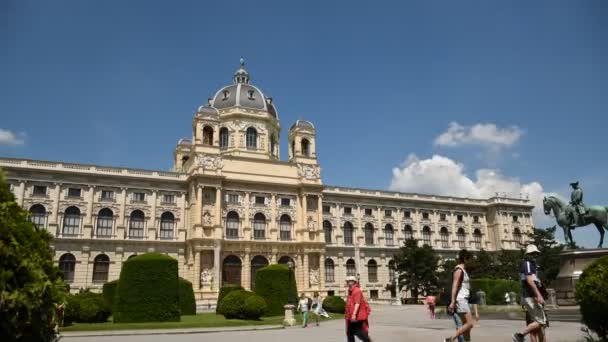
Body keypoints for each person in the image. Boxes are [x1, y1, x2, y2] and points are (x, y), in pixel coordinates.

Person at [512, 244, 548, 342]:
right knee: (541, 322)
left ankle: (520, 336)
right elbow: (529, 281)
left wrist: (539, 284)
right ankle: (520, 335)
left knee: (540, 323)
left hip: (531, 296)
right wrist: (538, 295)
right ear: (528, 254)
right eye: (533, 254)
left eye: (536, 254)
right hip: (530, 296)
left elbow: (533, 281)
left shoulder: (532, 266)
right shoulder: (527, 264)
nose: (535, 256)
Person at [445, 249, 474, 342]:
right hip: (461, 300)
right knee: (470, 324)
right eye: (470, 259)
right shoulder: (459, 270)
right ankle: (451, 338)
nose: (471, 262)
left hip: (464, 299)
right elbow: (454, 286)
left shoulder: (464, 270)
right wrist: (453, 302)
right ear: (465, 259)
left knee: (467, 328)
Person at [345, 275, 372, 342]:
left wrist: (354, 314)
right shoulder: (350, 290)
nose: (348, 282)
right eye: (347, 281)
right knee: (350, 332)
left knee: (358, 331)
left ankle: (368, 340)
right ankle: (367, 340)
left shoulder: (357, 290)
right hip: (351, 314)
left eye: (349, 281)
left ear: (354, 282)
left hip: (357, 315)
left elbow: (357, 303)